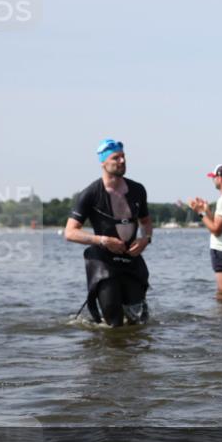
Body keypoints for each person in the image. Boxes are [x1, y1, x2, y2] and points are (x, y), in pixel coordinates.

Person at [64, 139, 152, 326]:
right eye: (115, 158)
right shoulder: (91, 193)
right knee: (114, 325)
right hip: (104, 265)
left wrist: (146, 239)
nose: (121, 161)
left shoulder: (138, 190)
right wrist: (103, 240)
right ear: (103, 162)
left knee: (139, 321)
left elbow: (145, 221)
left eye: (123, 157)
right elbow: (70, 232)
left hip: (131, 260)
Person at [189, 165, 222, 301]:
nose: (213, 180)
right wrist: (206, 211)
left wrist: (200, 213)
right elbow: (220, 223)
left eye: (214, 178)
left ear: (220, 178)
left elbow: (216, 230)